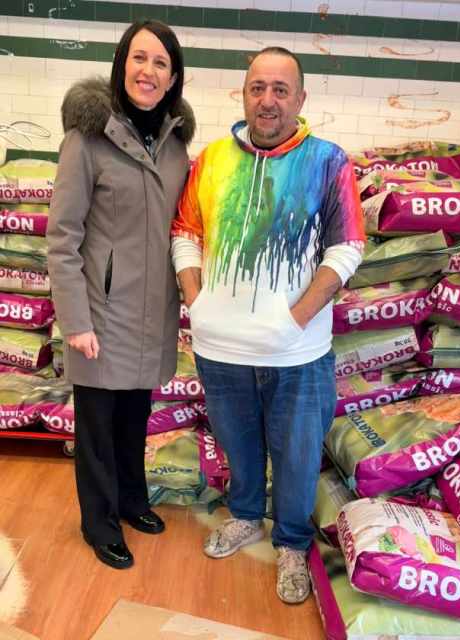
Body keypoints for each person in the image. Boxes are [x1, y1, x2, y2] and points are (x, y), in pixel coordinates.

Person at [171, 47, 365, 603]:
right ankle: (246, 516)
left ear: (300, 98)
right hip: (219, 349)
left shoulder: (328, 161)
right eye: (258, 88)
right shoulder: (211, 160)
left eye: (281, 89)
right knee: (237, 444)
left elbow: (347, 248)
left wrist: (294, 321)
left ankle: (292, 543)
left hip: (297, 353)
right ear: (243, 94)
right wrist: (196, 302)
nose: (268, 100)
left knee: (298, 455)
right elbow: (185, 232)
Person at [47, 19, 195, 570]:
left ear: (173, 77)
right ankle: (100, 522)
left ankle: (133, 500)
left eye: (160, 62)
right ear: (121, 64)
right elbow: (62, 238)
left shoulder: (176, 146)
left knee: (136, 417)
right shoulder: (87, 140)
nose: (147, 71)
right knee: (97, 429)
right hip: (101, 314)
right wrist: (76, 320)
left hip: (152, 311)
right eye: (138, 58)